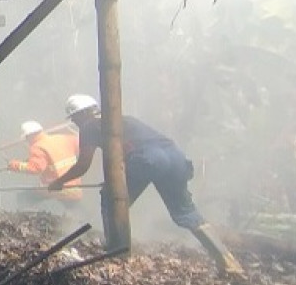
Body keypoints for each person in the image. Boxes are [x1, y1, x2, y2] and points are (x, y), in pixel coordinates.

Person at [49, 94, 245, 275]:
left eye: (74, 117)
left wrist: (60, 181)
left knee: (111, 199)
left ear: (84, 113)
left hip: (149, 158)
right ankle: (227, 260)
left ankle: (116, 251)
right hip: (175, 156)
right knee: (185, 212)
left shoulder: (90, 126)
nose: (74, 122)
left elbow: (83, 164)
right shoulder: (125, 119)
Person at [8, 120, 83, 208]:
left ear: (29, 136)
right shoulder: (63, 138)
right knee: (73, 210)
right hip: (76, 187)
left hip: (56, 188)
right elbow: (81, 145)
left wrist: (15, 165)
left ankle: (27, 217)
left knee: (24, 197)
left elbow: (36, 168)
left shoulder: (38, 147)